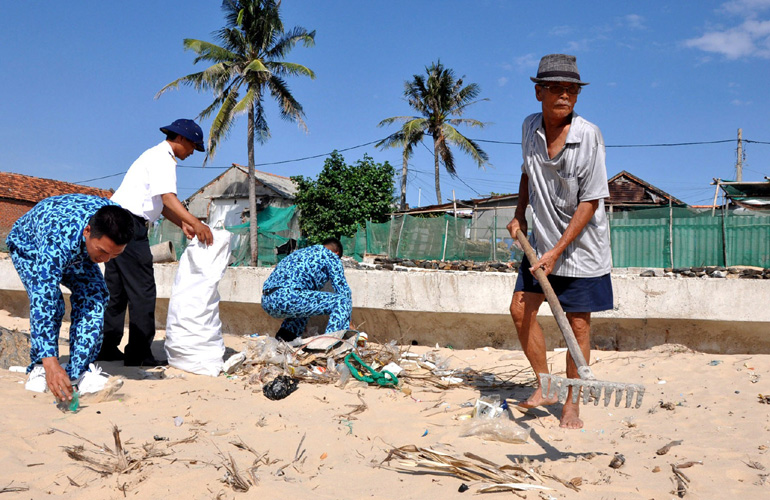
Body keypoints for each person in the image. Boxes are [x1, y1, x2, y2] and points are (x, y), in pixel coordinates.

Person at [506, 54, 612, 429]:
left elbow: (591, 201)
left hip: (581, 250)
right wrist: (520, 213)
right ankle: (545, 385)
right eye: (556, 88)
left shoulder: (589, 136)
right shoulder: (529, 126)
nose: (565, 95)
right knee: (520, 310)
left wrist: (557, 251)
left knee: (577, 326)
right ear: (539, 91)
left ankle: (572, 403)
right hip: (541, 244)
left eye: (572, 89)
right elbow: (527, 174)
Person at [100, 119, 214, 366]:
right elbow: (168, 198)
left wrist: (181, 223)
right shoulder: (164, 158)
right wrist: (196, 222)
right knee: (143, 290)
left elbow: (160, 205)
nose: (192, 152)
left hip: (114, 220)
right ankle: (139, 353)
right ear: (181, 139)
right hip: (129, 224)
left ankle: (106, 347)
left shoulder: (152, 155)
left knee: (116, 290)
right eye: (193, 146)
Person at [5, 194, 135, 402]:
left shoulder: (116, 219)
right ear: (88, 231)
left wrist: (101, 252)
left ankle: (78, 372)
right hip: (30, 246)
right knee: (53, 302)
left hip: (79, 248)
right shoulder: (57, 239)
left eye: (114, 255)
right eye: (102, 252)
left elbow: (102, 251)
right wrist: (50, 363)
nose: (105, 261)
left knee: (95, 294)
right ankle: (40, 367)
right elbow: (43, 300)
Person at [261, 238, 352, 342]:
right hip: (288, 296)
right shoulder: (331, 256)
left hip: (267, 300)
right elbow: (343, 291)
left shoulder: (299, 253)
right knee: (342, 301)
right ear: (337, 253)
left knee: (303, 312)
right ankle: (329, 344)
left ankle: (283, 342)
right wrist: (348, 320)